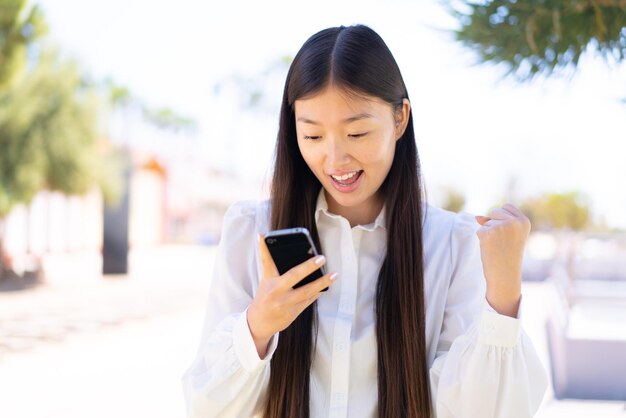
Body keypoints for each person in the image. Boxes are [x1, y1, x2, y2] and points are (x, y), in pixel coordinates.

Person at [182, 24, 548, 418]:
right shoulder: (251, 229)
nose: (335, 160)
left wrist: (504, 297)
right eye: (313, 137)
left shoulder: (452, 244)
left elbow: (481, 412)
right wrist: (257, 327)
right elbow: (206, 408)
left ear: (399, 119)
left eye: (357, 133)